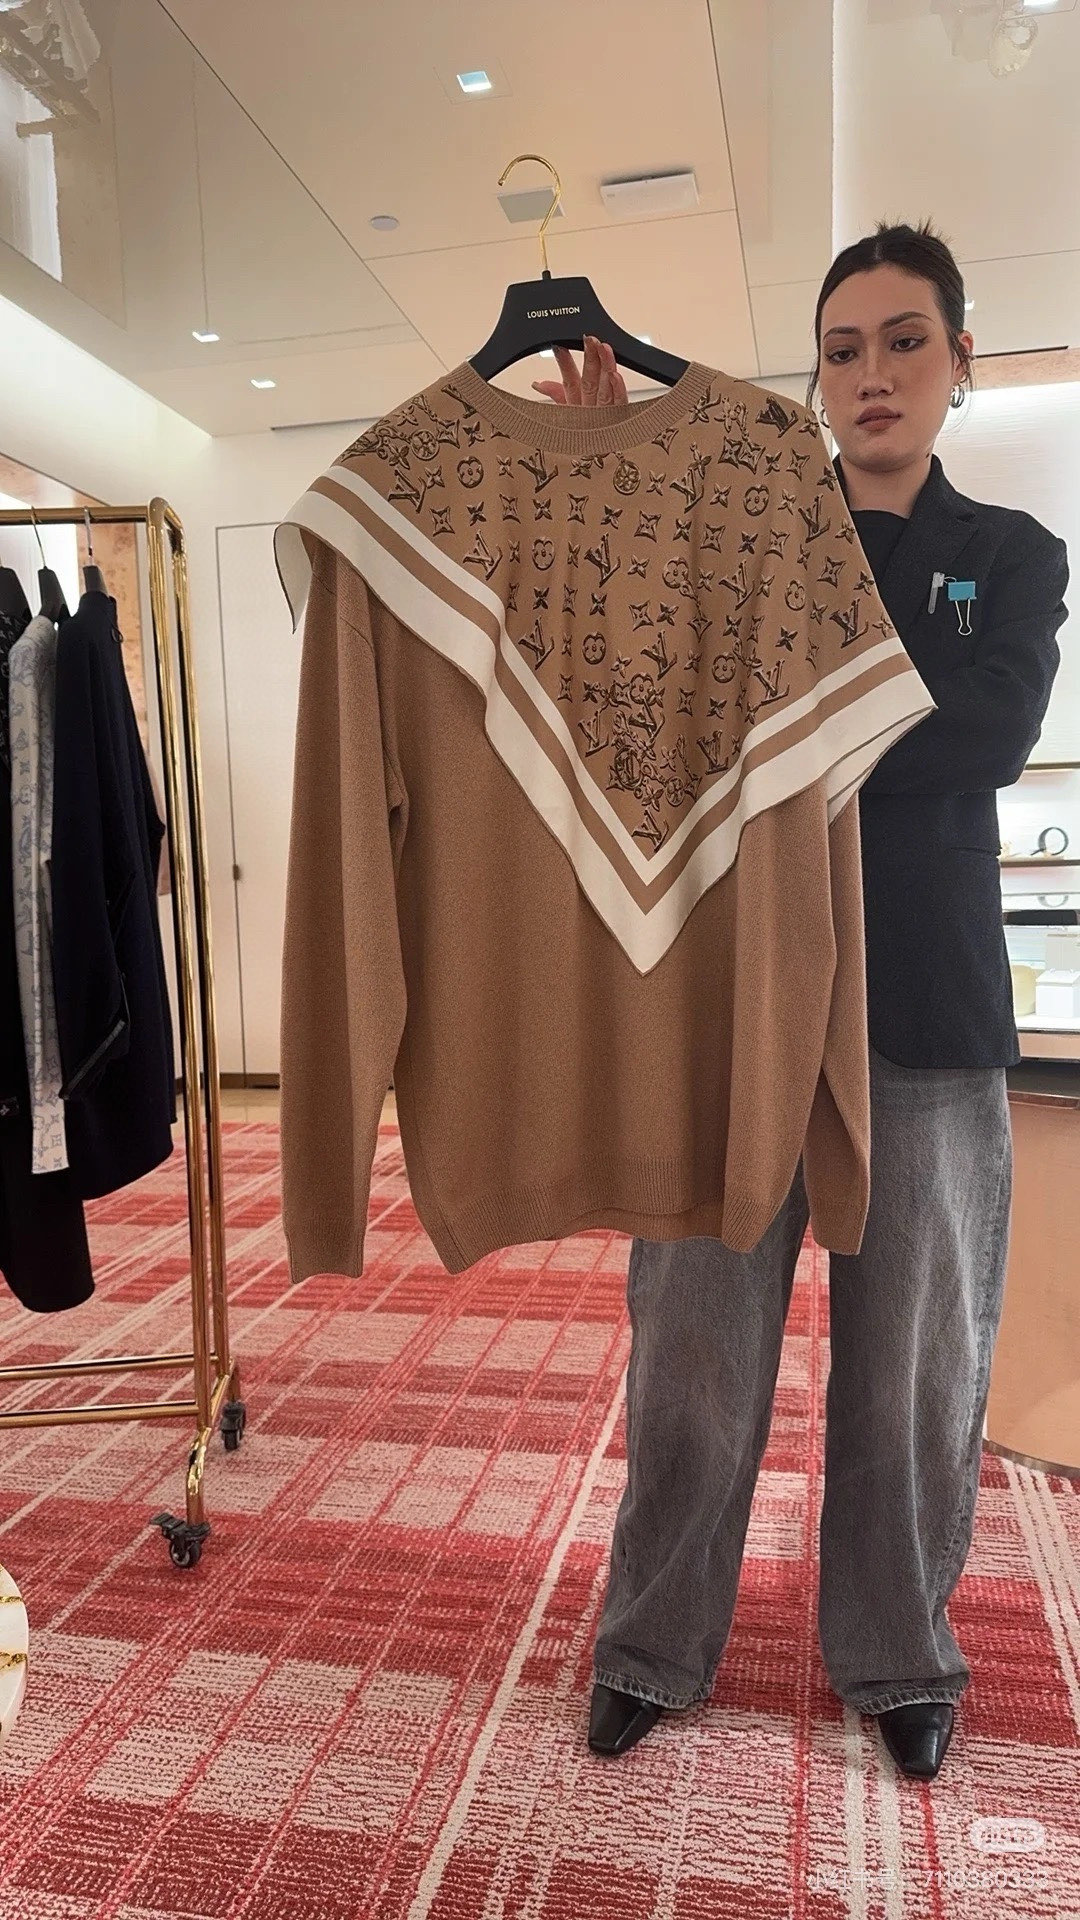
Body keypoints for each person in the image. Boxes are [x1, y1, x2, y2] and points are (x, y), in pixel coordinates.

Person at [534, 222, 1069, 1780]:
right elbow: (645, 689)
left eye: (905, 342)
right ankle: (652, 1642)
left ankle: (899, 1655)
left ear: (960, 363)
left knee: (914, 1366)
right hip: (738, 1007)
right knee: (692, 1349)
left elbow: (984, 733)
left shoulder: (1014, 554)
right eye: (843, 350)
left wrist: (780, 718)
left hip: (928, 1013)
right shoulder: (746, 540)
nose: (873, 374)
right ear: (818, 378)